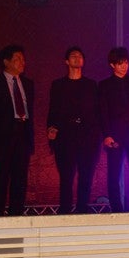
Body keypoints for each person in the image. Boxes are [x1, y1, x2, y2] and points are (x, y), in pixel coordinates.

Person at [0, 44, 35, 216]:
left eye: (23, 59)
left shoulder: (28, 84)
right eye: (17, 58)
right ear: (6, 62)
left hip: (23, 133)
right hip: (2, 135)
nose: (22, 62)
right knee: (1, 173)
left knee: (20, 175)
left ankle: (16, 213)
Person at [47, 46, 100, 214]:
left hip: (87, 136)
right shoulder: (58, 85)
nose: (77, 58)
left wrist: (95, 135)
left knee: (86, 176)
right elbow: (53, 110)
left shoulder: (91, 85)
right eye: (73, 56)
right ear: (66, 61)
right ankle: (65, 211)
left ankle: (82, 209)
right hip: (65, 136)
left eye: (80, 56)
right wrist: (52, 128)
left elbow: (96, 112)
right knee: (66, 176)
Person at [99, 47, 129, 212]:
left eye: (126, 62)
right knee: (114, 173)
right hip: (115, 135)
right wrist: (106, 135)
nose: (124, 66)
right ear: (112, 65)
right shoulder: (105, 85)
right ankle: (117, 209)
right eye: (120, 63)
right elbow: (103, 112)